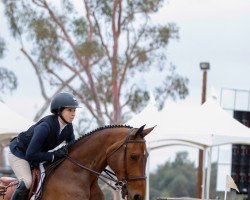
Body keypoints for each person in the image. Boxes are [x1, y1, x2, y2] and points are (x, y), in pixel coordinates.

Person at [7, 92, 80, 200]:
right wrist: (54, 155)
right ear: (59, 111)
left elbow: (72, 147)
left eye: (74, 110)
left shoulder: (68, 127)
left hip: (36, 155)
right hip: (19, 153)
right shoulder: (45, 127)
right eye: (70, 110)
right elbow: (30, 154)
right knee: (27, 182)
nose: (73, 114)